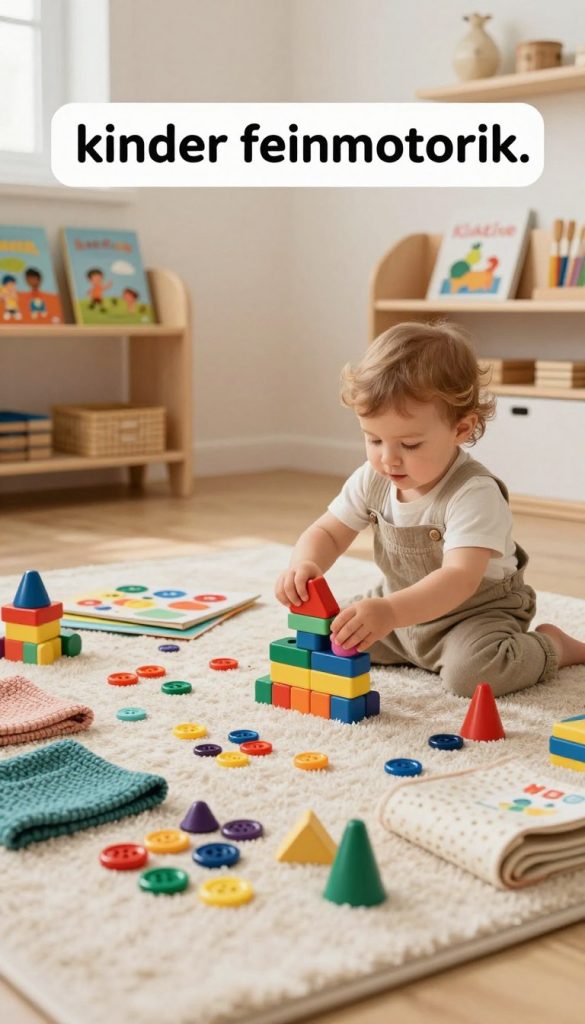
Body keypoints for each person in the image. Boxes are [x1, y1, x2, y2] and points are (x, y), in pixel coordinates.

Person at [275, 321, 585, 698]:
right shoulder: (372, 479)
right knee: (333, 635)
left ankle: (553, 646)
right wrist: (305, 563)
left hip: (473, 617)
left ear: (461, 429)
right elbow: (328, 531)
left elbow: (459, 579)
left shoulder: (473, 494)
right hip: (399, 609)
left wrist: (388, 612)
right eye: (373, 439)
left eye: (409, 444)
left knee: (474, 676)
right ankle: (403, 643)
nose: (388, 459)